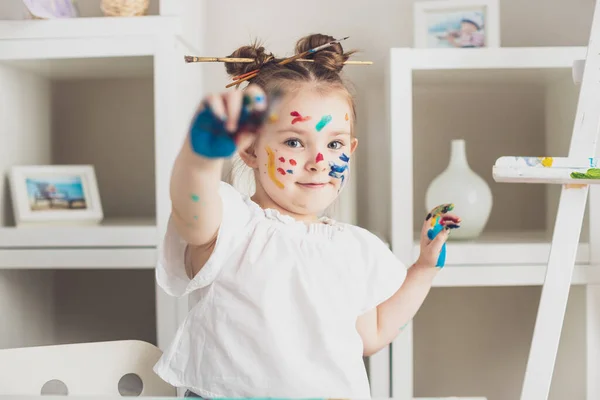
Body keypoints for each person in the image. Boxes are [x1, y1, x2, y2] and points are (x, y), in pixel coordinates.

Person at [153, 33, 461, 399]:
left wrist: (424, 268)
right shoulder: (235, 224)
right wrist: (200, 158)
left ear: (352, 148)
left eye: (334, 144)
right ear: (250, 150)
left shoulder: (355, 248)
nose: (319, 162)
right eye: (294, 142)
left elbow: (373, 333)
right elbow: (192, 213)